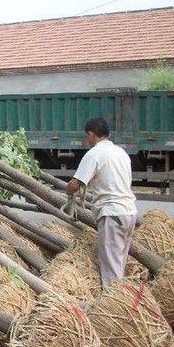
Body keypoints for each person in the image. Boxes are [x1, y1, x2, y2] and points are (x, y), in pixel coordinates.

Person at [66, 117, 137, 286]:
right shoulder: (121, 153)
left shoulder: (94, 154)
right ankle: (120, 299)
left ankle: (114, 305)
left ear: (91, 134)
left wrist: (68, 192)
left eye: (87, 137)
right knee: (119, 263)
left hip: (112, 214)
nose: (87, 140)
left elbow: (75, 184)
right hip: (129, 213)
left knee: (111, 271)